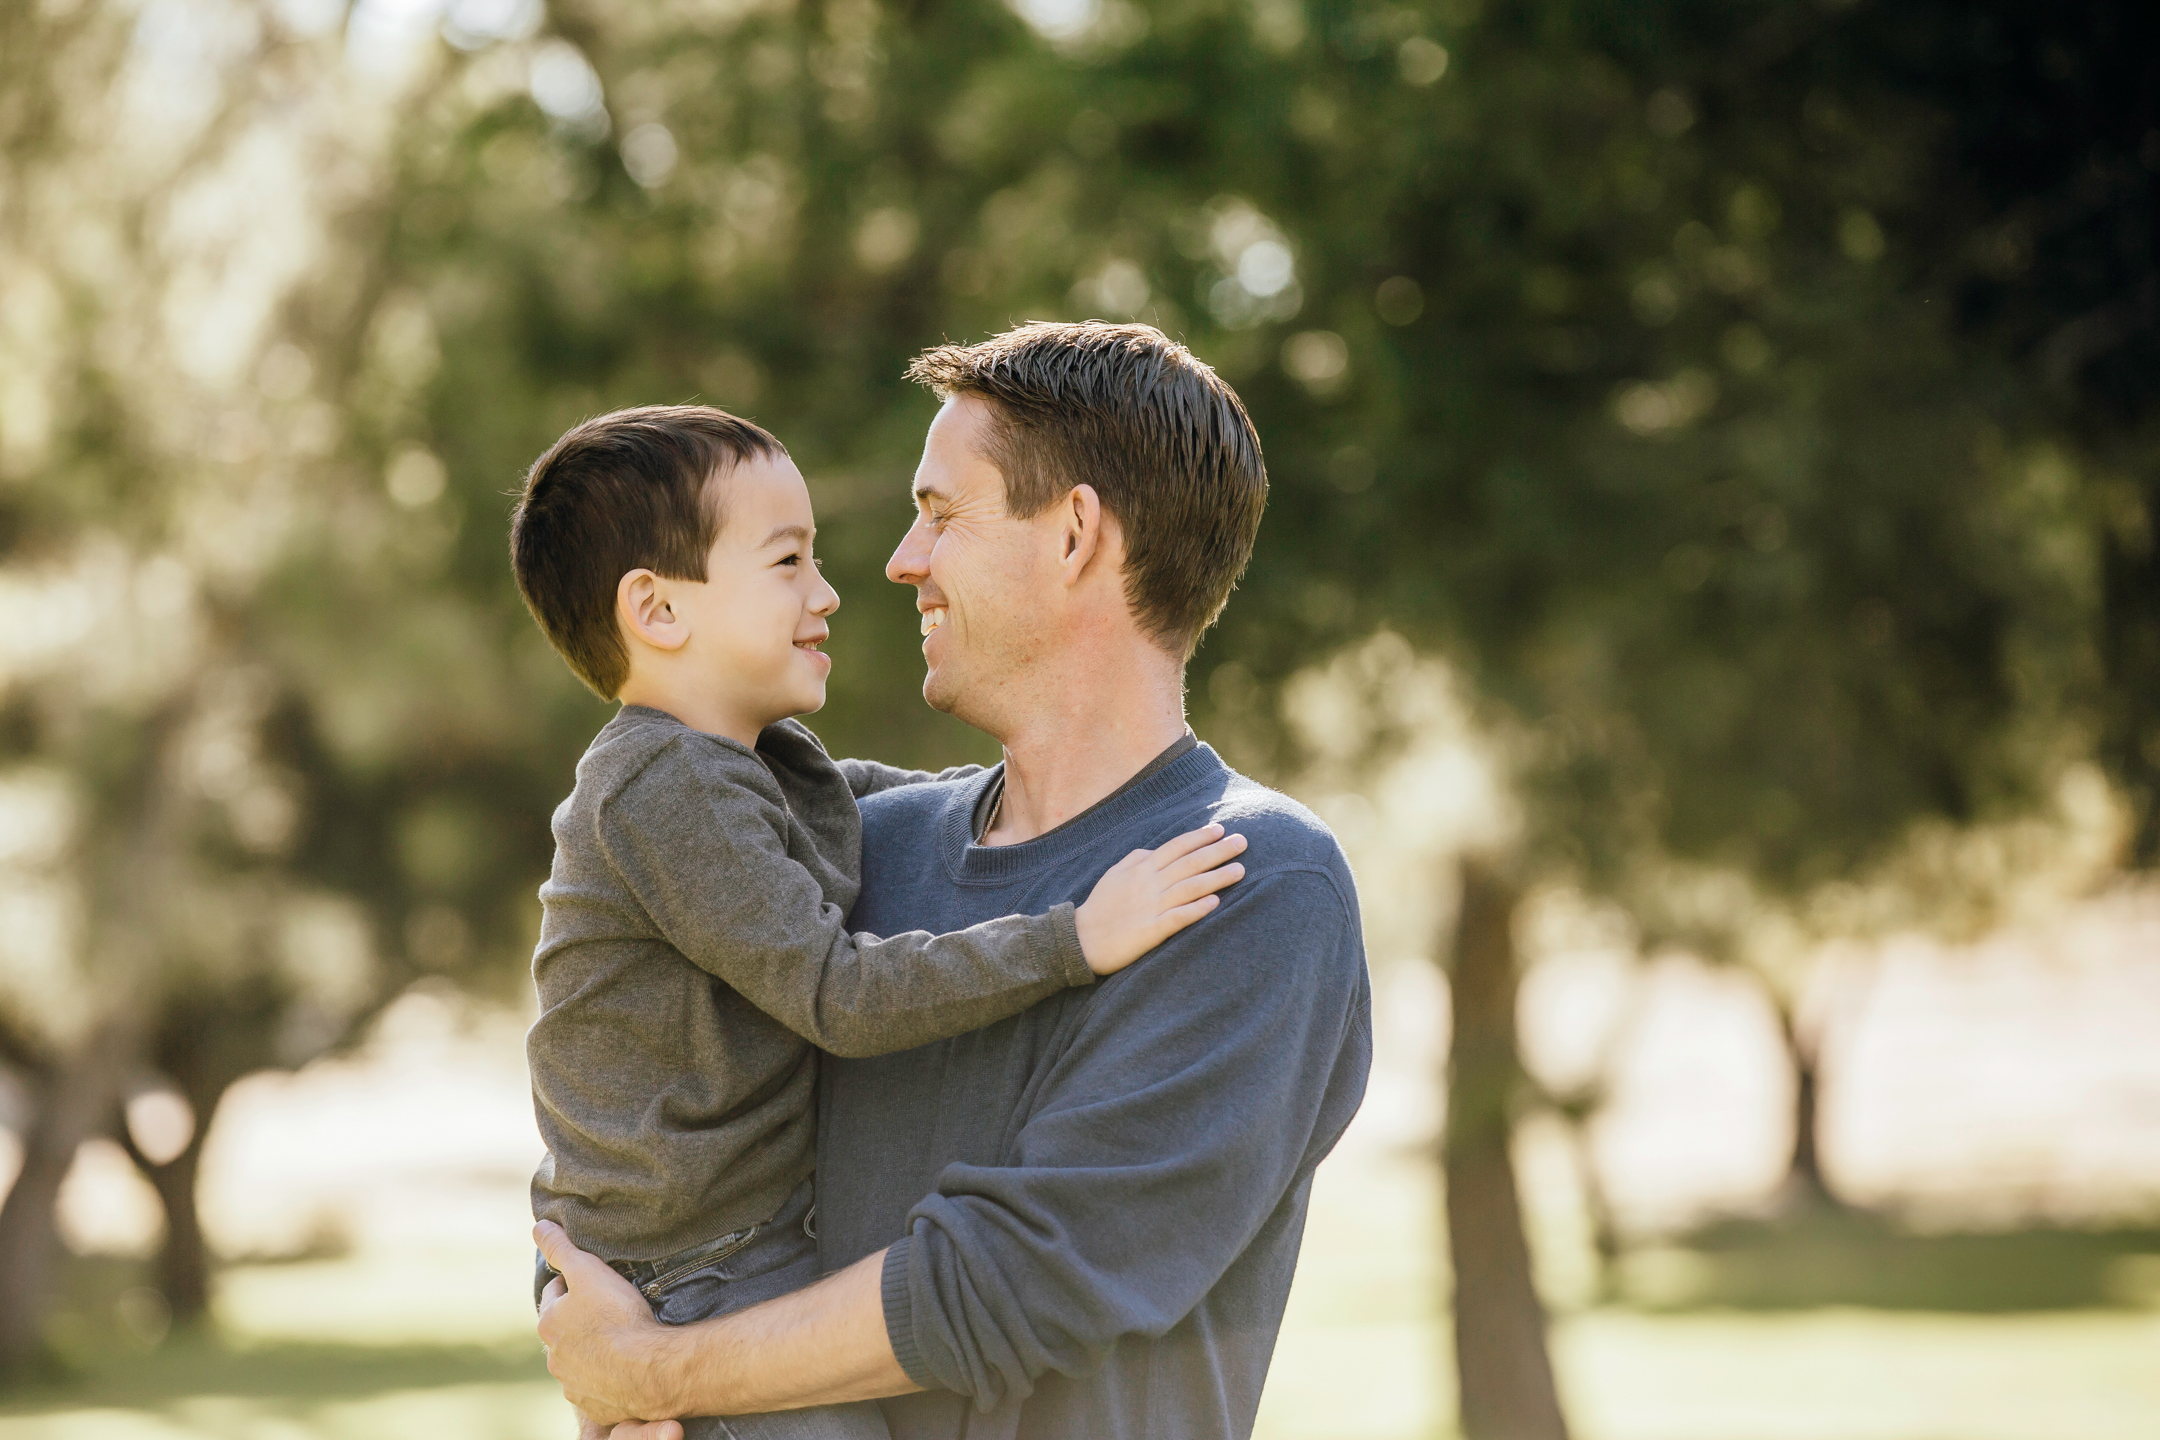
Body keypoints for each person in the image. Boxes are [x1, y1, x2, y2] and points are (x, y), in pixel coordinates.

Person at [535, 323, 1372, 1440]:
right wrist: (600, 1340)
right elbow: (631, 1111)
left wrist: (656, 1374)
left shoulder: (1245, 881)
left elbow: (1006, 1286)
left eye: (940, 515)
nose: (897, 563)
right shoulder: (862, 845)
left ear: (1075, 534)